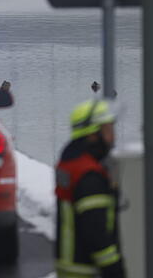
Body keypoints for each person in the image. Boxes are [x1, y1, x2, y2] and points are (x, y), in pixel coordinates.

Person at [55, 99, 125, 278]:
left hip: (69, 266)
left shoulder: (70, 162)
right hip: (87, 270)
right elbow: (95, 230)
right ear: (93, 134)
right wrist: (114, 268)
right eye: (108, 130)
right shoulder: (89, 176)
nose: (113, 138)